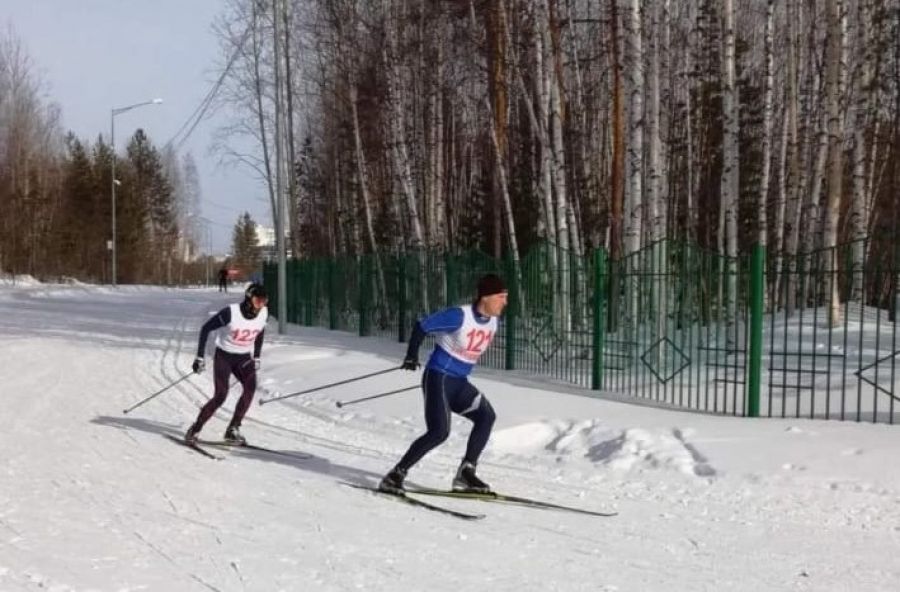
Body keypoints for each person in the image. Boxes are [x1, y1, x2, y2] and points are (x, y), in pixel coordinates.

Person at [379, 273, 508, 494]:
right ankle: (395, 475)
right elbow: (423, 326)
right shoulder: (459, 316)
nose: (505, 302)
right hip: (438, 377)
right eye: (501, 296)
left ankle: (466, 473)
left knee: (486, 417)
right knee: (439, 432)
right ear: (486, 297)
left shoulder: (494, 321)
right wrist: (412, 355)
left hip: (459, 382)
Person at [185, 283, 269, 445]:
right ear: (249, 299)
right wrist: (199, 358)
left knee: (250, 389)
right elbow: (206, 329)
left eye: (264, 302)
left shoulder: (263, 313)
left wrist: (256, 357)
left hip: (244, 357)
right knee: (221, 395)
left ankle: (233, 429)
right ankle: (195, 429)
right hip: (224, 356)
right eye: (258, 301)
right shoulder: (231, 313)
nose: (261, 305)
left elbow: (260, 331)